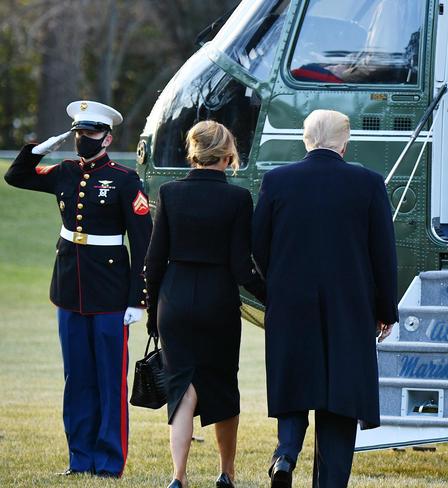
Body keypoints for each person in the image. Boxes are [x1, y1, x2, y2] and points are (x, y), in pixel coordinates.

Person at [4, 100, 152, 477]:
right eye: (79, 133)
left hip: (110, 293)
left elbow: (143, 241)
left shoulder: (124, 179)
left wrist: (138, 298)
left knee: (108, 380)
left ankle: (108, 462)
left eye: (90, 133)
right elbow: (16, 176)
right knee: (77, 378)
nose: (83, 139)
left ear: (107, 137)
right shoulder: (65, 171)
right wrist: (39, 148)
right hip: (69, 290)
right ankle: (79, 458)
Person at [252, 109, 399, 488]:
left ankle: (285, 455)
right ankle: (330, 482)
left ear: (306, 139)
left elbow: (259, 247)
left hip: (290, 304)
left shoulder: (276, 181)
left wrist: (278, 289)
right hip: (349, 309)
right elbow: (383, 254)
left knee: (295, 384)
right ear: (345, 143)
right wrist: (385, 310)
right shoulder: (368, 183)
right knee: (340, 396)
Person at [144, 120, 265, 488]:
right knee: (223, 384)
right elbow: (241, 267)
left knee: (182, 387)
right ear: (229, 155)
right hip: (218, 301)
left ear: (192, 152)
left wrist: (153, 315)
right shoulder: (238, 198)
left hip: (174, 300)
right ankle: (226, 472)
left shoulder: (170, 192)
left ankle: (178, 476)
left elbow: (154, 260)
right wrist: (273, 299)